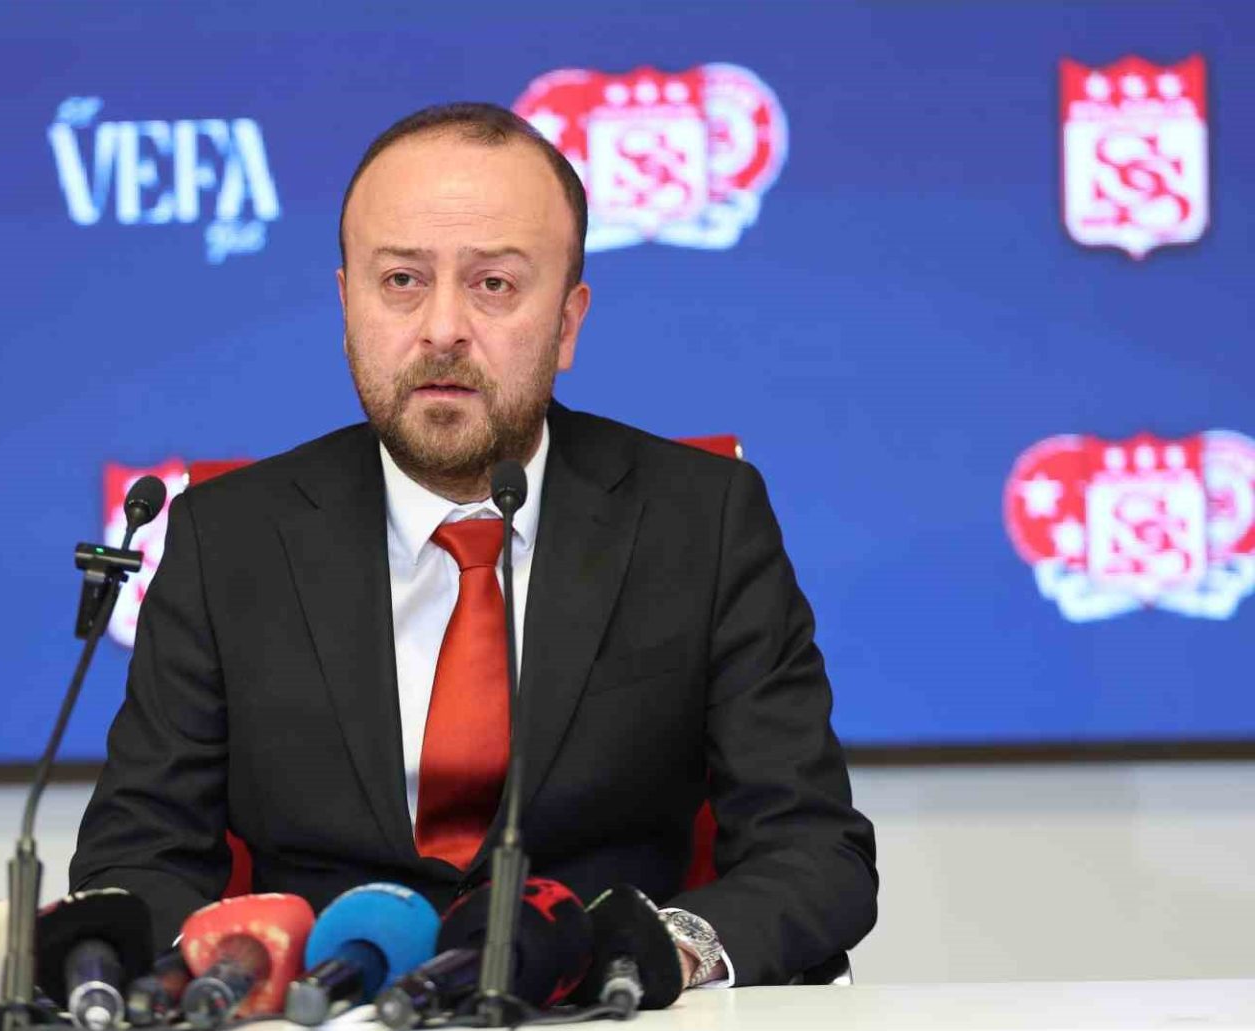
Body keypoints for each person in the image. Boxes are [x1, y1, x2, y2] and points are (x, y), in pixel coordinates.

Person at [70, 102, 877, 988]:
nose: (443, 327)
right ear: (347, 305)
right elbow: (136, 859)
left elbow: (814, 850)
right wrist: (240, 974)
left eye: (493, 283)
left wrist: (662, 950)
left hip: (598, 1005)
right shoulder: (228, 540)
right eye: (401, 280)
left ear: (567, 322)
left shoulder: (701, 520)